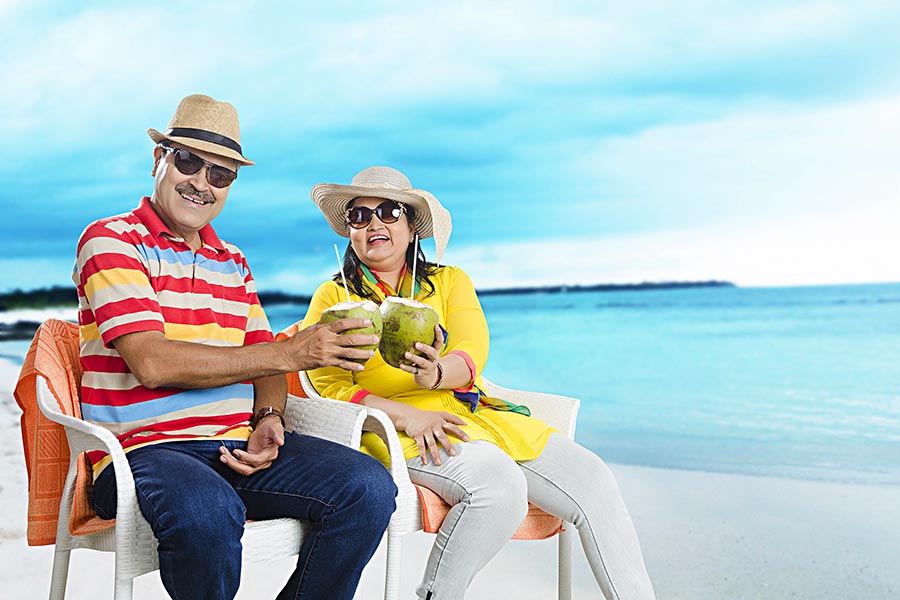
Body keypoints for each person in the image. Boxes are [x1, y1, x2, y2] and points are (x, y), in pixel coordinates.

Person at [73, 95, 396, 600]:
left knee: (369, 487)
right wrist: (291, 356)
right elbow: (152, 362)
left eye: (220, 175)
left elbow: (261, 351)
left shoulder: (233, 260)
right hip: (139, 451)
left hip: (230, 446)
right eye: (188, 162)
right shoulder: (112, 241)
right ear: (159, 160)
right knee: (206, 507)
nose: (202, 183)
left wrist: (269, 416)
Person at [297, 166, 657, 599]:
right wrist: (409, 415)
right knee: (499, 484)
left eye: (389, 211)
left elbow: (472, 351)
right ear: (349, 233)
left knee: (595, 480)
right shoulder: (334, 297)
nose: (374, 223)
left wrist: (435, 373)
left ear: (412, 227)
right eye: (359, 216)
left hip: (476, 413)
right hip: (393, 431)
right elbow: (329, 385)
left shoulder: (450, 282)